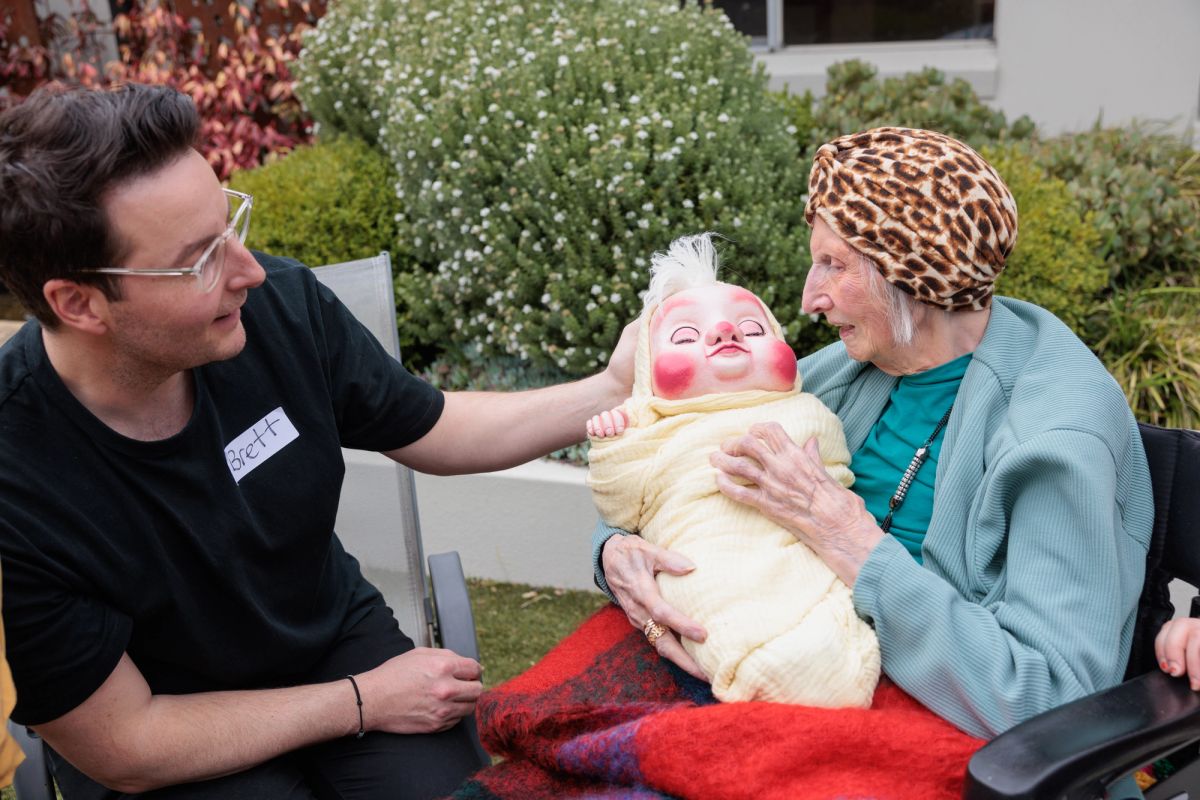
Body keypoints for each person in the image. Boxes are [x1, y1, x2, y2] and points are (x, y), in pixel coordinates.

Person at [0, 83, 634, 799]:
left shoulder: (278, 309)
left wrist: (612, 388)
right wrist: (362, 701)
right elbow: (127, 745)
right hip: (165, 720)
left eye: (229, 223)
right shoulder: (17, 476)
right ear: (79, 303)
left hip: (329, 639)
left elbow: (437, 428)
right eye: (199, 259)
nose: (250, 270)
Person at [593, 127, 1154, 749]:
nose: (809, 298)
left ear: (913, 270)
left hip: (945, 739)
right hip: (789, 671)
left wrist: (850, 540)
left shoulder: (1056, 433)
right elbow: (681, 458)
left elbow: (1050, 697)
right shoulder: (845, 372)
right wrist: (614, 551)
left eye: (834, 264)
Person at [585, 232, 879, 707]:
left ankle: (812, 667)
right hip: (704, 566)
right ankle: (760, 664)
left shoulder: (805, 405)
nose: (725, 333)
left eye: (754, 328)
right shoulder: (652, 423)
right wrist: (612, 449)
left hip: (799, 564)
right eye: (685, 336)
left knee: (814, 619)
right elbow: (621, 506)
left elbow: (833, 469)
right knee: (716, 605)